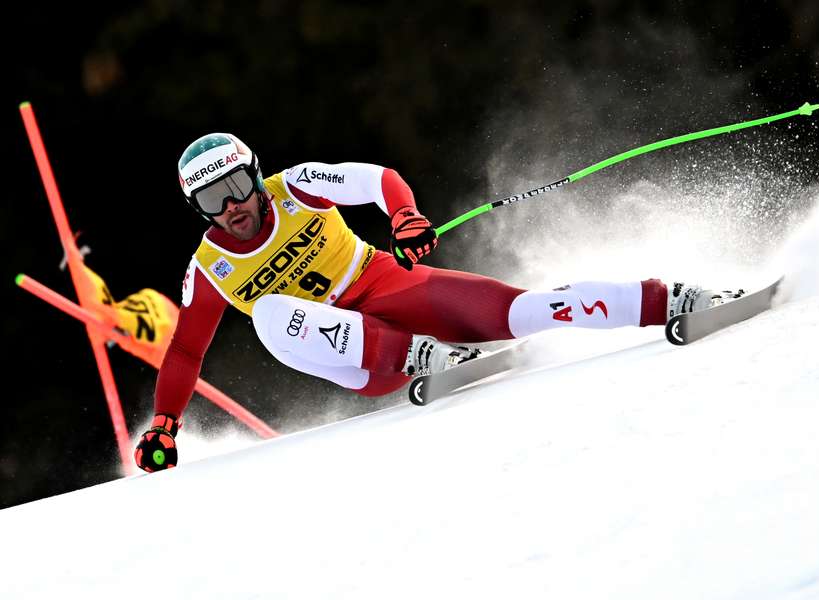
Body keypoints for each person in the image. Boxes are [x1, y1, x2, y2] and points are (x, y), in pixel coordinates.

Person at [134, 133, 741, 472]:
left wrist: (404, 217)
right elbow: (187, 347)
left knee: (516, 310)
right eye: (214, 201)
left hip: (384, 285)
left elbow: (376, 179)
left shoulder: (294, 187)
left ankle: (672, 300)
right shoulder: (210, 267)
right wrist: (165, 424)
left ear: (254, 176)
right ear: (201, 210)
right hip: (359, 359)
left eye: (237, 187)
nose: (233, 206)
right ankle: (420, 357)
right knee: (267, 314)